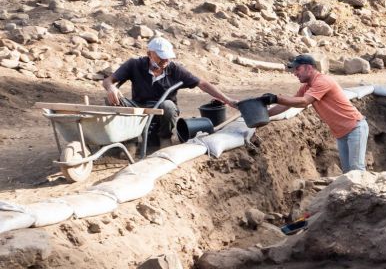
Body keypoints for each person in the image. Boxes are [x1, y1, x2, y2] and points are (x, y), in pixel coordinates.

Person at [102, 37, 238, 147]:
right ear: (149, 54)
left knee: (168, 105)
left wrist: (228, 100)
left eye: (167, 57)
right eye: (161, 56)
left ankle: (164, 137)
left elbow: (202, 84)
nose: (165, 60)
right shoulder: (135, 64)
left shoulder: (175, 69)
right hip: (139, 106)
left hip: (164, 110)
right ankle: (130, 141)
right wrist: (111, 88)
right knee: (111, 99)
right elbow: (108, 81)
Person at [264, 54, 369, 173]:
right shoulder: (306, 87)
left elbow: (304, 102)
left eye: (297, 69)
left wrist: (276, 98)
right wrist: (266, 114)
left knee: (357, 171)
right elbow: (288, 104)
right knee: (347, 173)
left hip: (354, 128)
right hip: (341, 133)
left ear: (309, 68)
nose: (295, 73)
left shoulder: (322, 81)